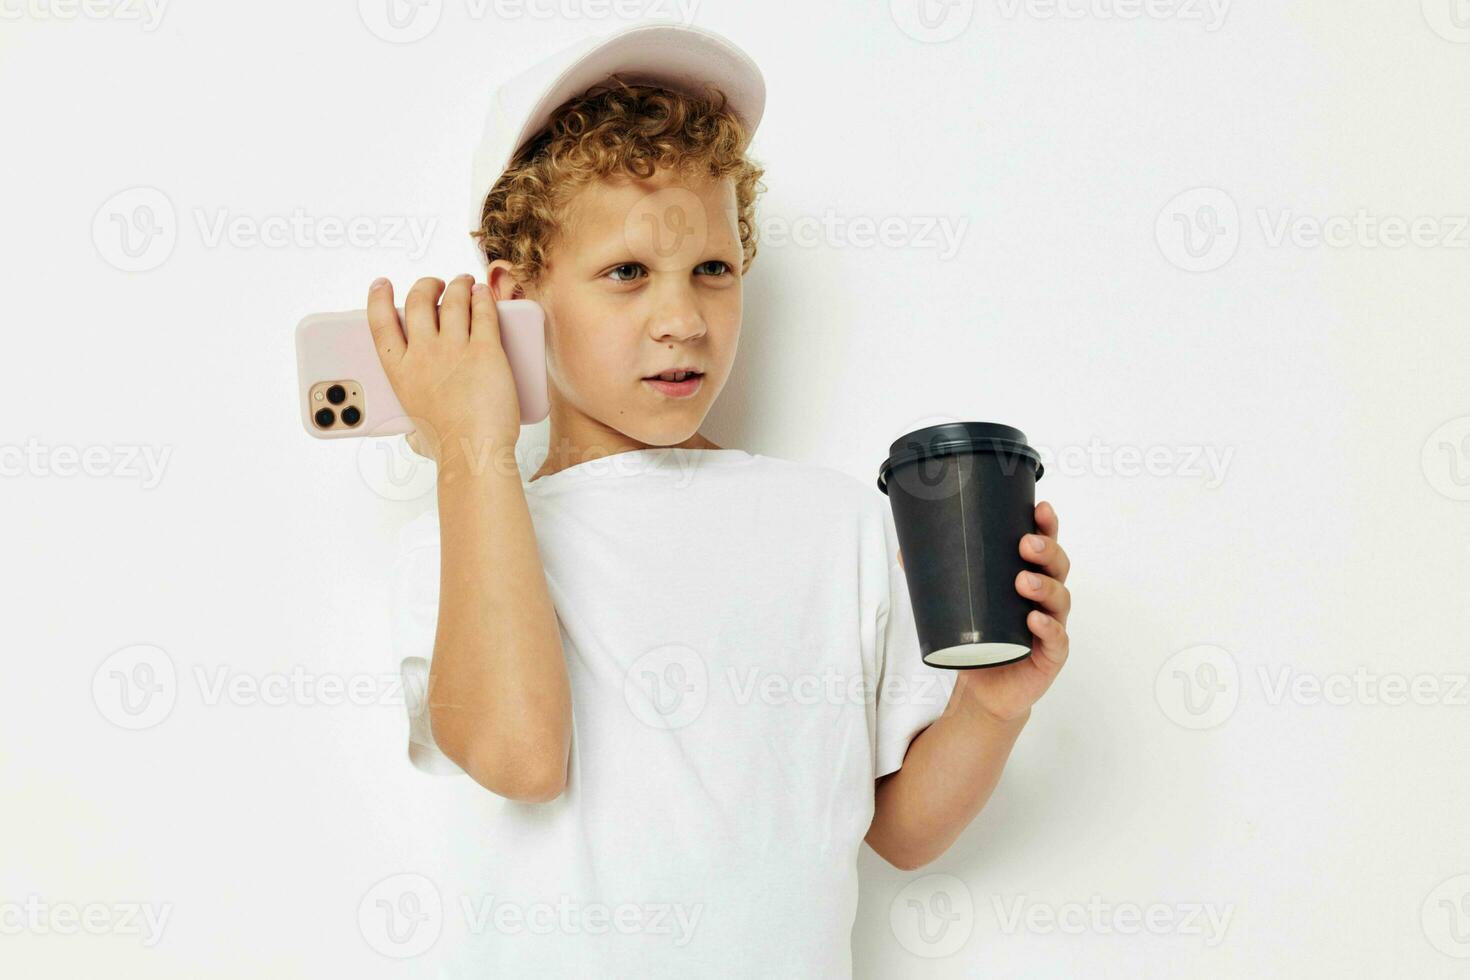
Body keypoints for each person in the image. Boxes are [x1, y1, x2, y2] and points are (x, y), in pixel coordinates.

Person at [371, 21, 1074, 978]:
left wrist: (990, 710)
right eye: (626, 273)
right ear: (515, 299)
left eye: (712, 270)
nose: (681, 319)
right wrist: (470, 445)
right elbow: (521, 756)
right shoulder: (467, 537)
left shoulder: (841, 524)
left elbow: (900, 833)